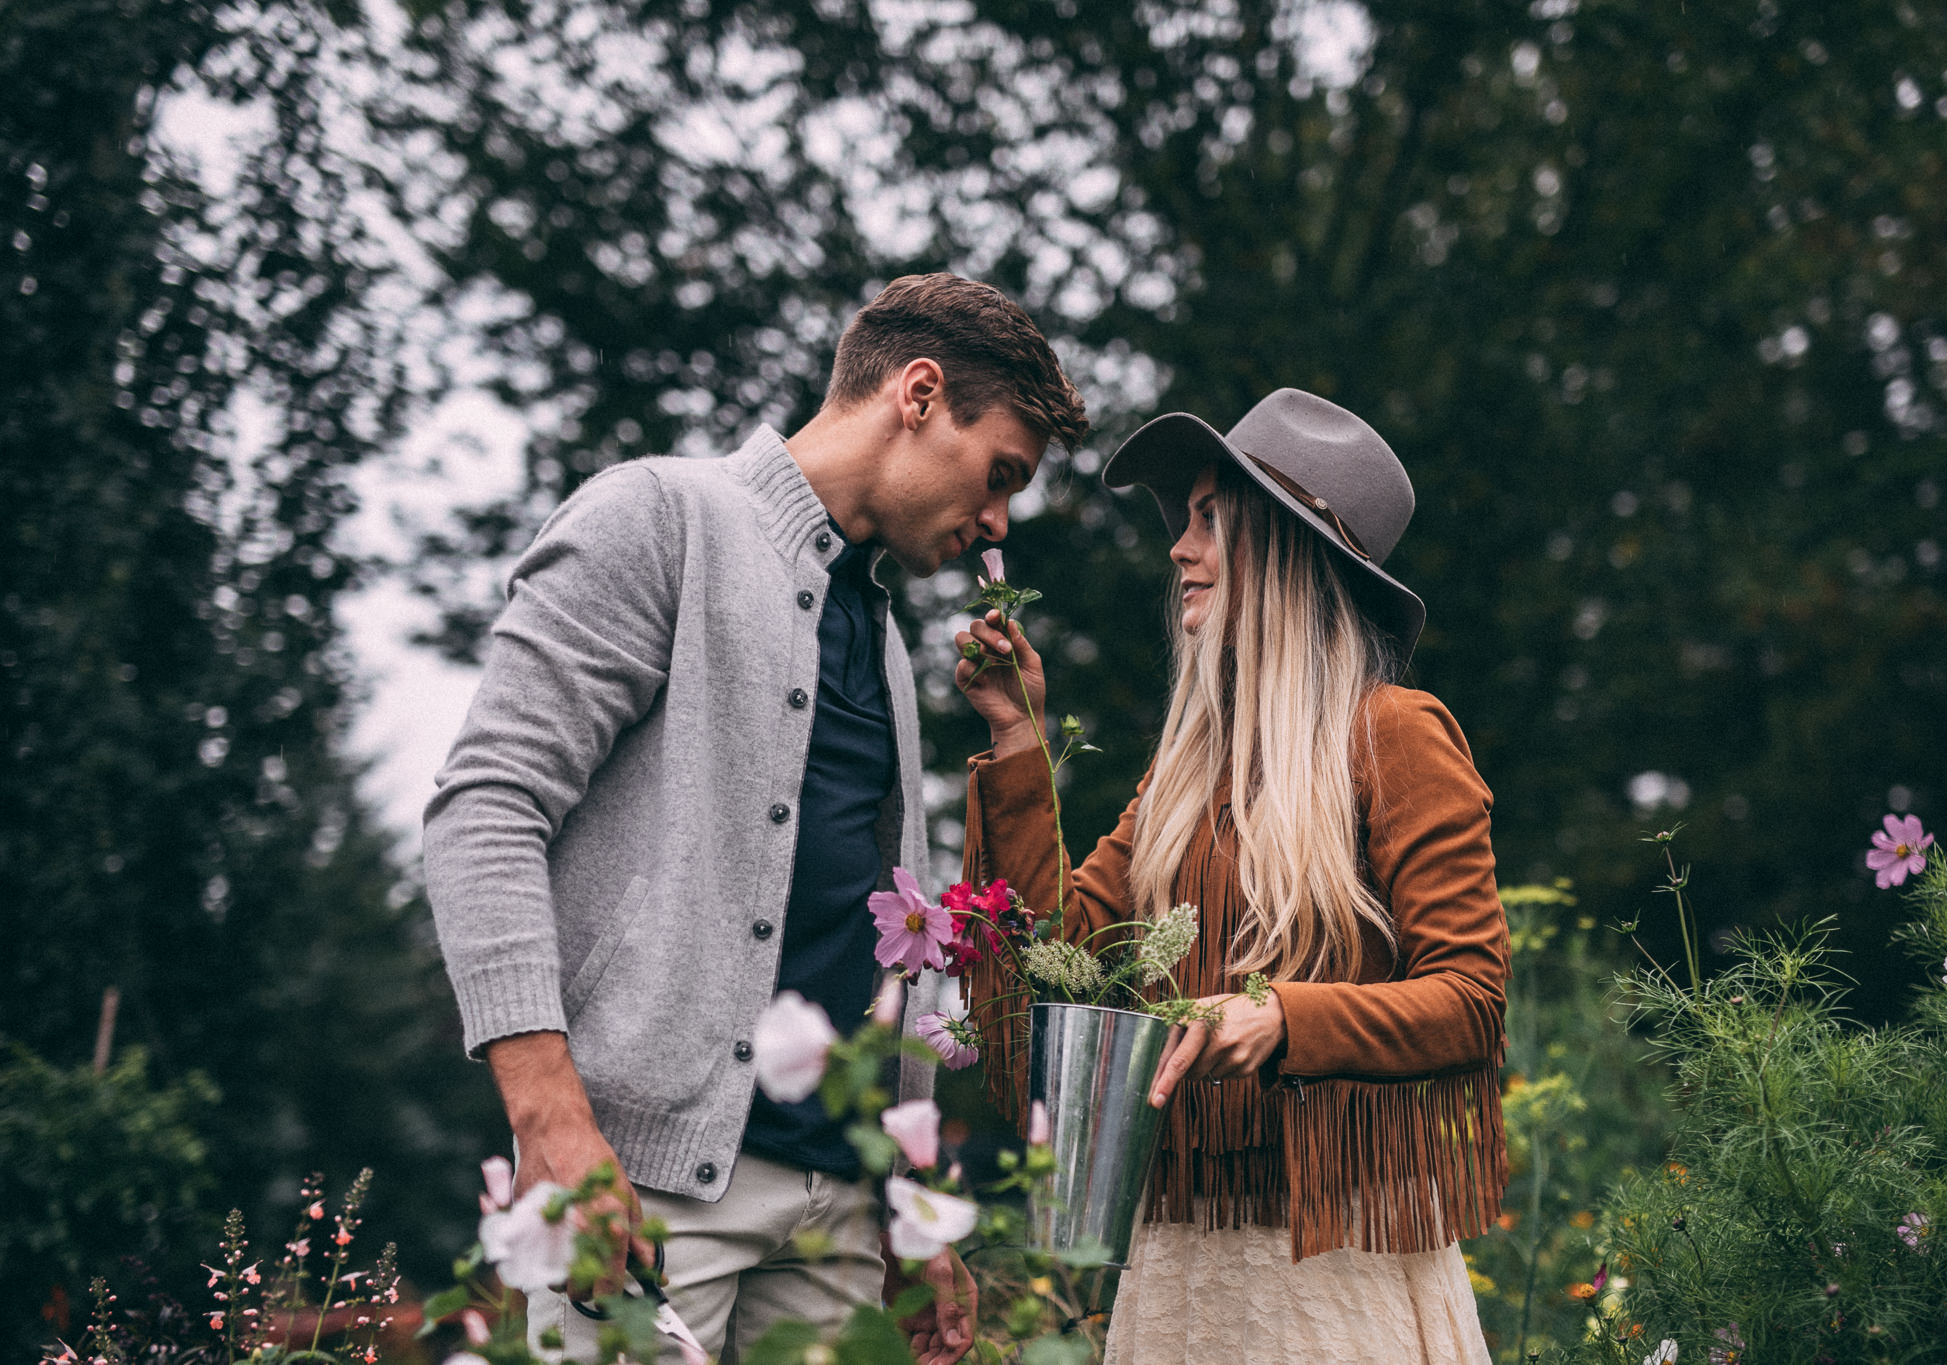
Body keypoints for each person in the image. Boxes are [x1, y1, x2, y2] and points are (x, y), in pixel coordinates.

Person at [424, 273, 1089, 1365]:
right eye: (999, 474)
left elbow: (870, 940)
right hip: (641, 1196)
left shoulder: (875, 628)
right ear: (918, 394)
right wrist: (550, 1120)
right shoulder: (655, 516)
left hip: (832, 1217)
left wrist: (905, 1203)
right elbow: (483, 808)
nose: (994, 525)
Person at [953, 389, 1506, 1363]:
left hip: (1337, 1264)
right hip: (1173, 1263)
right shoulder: (1184, 773)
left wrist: (1280, 1018)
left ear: (1290, 551)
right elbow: (1051, 963)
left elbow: (1468, 999)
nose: (1178, 547)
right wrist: (1016, 740)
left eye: (1211, 518)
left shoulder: (1394, 735)